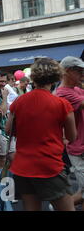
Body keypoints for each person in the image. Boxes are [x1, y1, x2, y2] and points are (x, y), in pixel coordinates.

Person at [6, 58, 76, 211]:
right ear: (56, 77)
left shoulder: (19, 101)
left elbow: (8, 130)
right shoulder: (62, 104)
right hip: (49, 166)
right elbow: (72, 137)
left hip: (22, 166)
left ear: (34, 77)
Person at [56, 56, 84, 211]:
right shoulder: (63, 93)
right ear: (67, 72)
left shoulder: (77, 89)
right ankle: (61, 206)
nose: (82, 74)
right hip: (79, 148)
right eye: (79, 71)